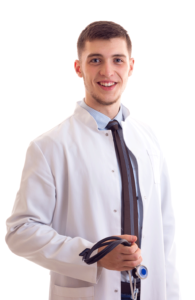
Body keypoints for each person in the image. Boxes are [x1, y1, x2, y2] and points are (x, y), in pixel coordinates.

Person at [5, 21, 181, 300]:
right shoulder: (49, 146)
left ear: (131, 66)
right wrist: (93, 255)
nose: (107, 71)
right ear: (79, 68)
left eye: (118, 60)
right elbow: (20, 232)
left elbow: (166, 232)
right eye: (95, 60)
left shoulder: (149, 139)